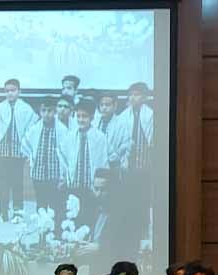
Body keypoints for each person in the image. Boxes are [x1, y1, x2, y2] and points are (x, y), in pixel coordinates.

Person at [0, 78, 37, 222]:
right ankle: (3, 212)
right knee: (2, 183)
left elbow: (32, 127)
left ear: (19, 91)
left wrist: (28, 147)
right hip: (3, 151)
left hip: (18, 151)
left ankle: (18, 212)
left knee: (17, 183)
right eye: (7, 91)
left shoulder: (26, 109)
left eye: (13, 90)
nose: (10, 93)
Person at [116, 82, 154, 252]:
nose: (133, 98)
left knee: (144, 200)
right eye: (130, 94)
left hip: (145, 165)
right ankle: (130, 231)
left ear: (144, 97)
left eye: (137, 94)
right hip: (128, 166)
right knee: (128, 199)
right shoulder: (123, 116)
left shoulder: (151, 115)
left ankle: (143, 232)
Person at [61, 99, 109, 229]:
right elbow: (65, 159)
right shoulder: (70, 137)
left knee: (89, 220)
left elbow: (103, 162)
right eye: (78, 116)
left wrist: (100, 187)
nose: (81, 120)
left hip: (91, 187)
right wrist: (66, 178)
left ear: (92, 117)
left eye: (85, 116)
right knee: (73, 219)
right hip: (74, 185)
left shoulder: (100, 137)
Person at [22, 97, 68, 226]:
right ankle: (41, 229)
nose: (46, 114)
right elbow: (26, 143)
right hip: (39, 172)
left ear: (55, 112)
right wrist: (31, 156)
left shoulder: (62, 130)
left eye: (50, 111)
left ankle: (53, 229)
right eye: (44, 110)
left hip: (54, 173)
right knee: (41, 203)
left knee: (54, 203)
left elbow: (66, 151)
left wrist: (63, 174)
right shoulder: (35, 128)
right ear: (40, 111)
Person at [94, 91, 129, 167]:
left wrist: (113, 157)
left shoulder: (122, 124)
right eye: (102, 105)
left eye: (107, 105)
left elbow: (125, 145)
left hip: (113, 164)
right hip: (96, 162)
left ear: (115, 106)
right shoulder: (94, 122)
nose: (104, 108)